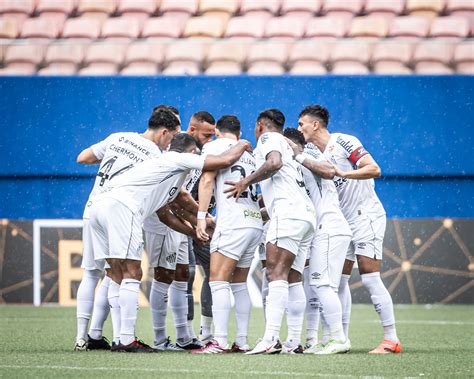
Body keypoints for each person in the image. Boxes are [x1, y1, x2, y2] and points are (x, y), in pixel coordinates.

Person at [88, 133, 252, 352]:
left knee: (116, 273)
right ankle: (126, 340)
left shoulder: (164, 171)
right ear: (192, 152)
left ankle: (119, 337)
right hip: (122, 208)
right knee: (132, 273)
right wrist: (242, 143)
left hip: (99, 207)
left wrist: (195, 231)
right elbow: (223, 161)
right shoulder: (178, 159)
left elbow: (167, 214)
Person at [225, 109, 334, 354]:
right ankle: (293, 342)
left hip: (288, 213)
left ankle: (270, 339)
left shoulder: (269, 138)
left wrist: (245, 181)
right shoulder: (287, 144)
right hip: (306, 215)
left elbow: (274, 163)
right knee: (294, 278)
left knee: (275, 273)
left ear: (260, 125)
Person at [297, 104, 402, 354]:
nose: (299, 128)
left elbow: (374, 169)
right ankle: (340, 338)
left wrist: (344, 173)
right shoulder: (311, 151)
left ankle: (391, 339)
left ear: (316, 124)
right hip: (342, 223)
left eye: (302, 124)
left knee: (369, 277)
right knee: (339, 281)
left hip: (366, 216)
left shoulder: (343, 141)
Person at [74, 108, 180, 351]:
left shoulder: (118, 137)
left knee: (94, 274)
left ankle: (84, 337)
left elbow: (83, 157)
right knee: (125, 273)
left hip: (93, 207)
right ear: (164, 132)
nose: (170, 143)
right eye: (171, 137)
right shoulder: (156, 156)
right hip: (119, 210)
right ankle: (124, 337)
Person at [192, 115, 263, 353]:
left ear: (217, 133)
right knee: (239, 284)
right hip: (254, 221)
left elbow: (207, 179)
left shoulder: (213, 147)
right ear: (240, 134)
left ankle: (219, 341)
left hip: (232, 222)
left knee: (218, 280)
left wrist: (201, 217)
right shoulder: (250, 155)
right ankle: (241, 341)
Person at [284, 128, 352, 354]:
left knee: (321, 285)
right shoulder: (303, 161)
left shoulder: (307, 157)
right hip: (331, 227)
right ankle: (328, 339)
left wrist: (297, 154)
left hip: (330, 227)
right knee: (327, 287)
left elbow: (329, 170)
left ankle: (339, 339)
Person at [142, 106, 202, 351]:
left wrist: (197, 221)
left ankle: (184, 336)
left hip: (177, 222)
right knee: (163, 275)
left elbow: (182, 196)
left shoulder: (183, 161)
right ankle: (158, 339)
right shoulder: (164, 160)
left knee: (181, 274)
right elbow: (171, 202)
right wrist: (197, 225)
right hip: (159, 222)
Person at [183, 111, 216, 342]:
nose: (209, 140)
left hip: (202, 224)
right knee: (186, 273)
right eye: (206, 135)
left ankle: (206, 330)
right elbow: (177, 195)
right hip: (179, 223)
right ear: (191, 130)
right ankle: (185, 332)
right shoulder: (177, 152)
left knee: (215, 271)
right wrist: (198, 218)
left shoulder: (207, 152)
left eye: (213, 135)